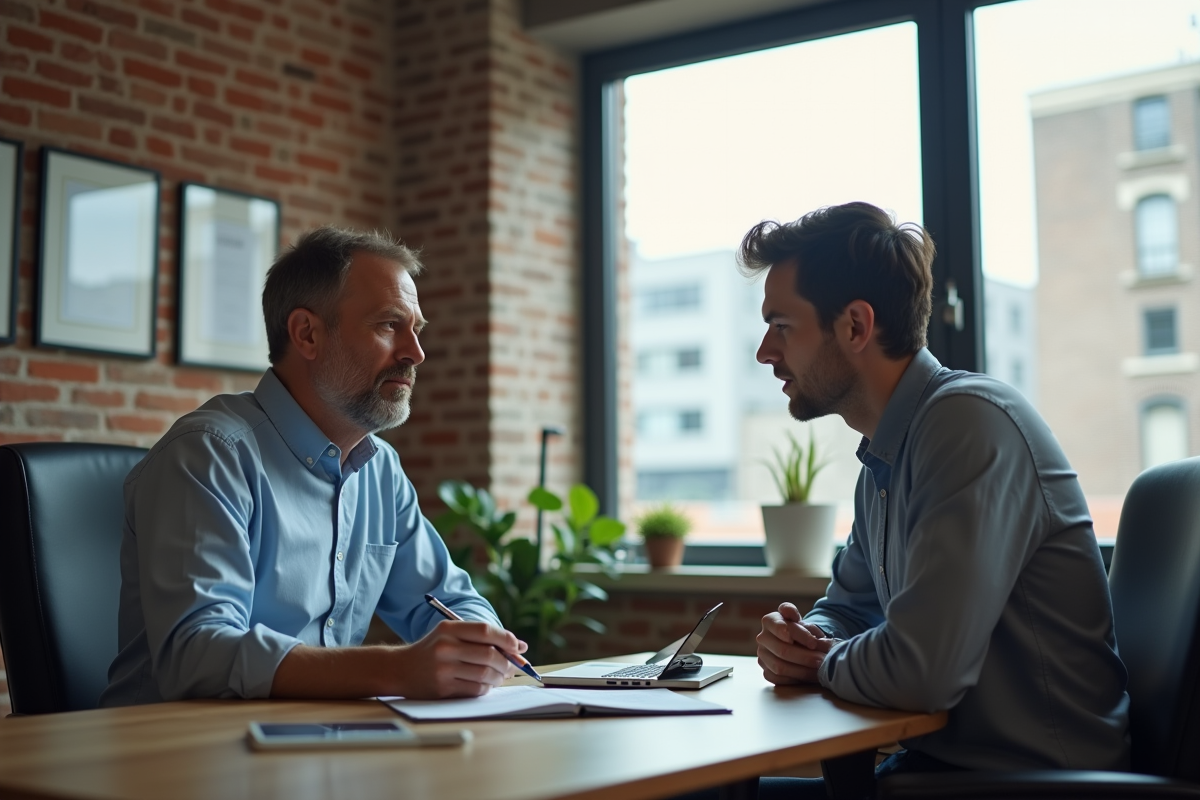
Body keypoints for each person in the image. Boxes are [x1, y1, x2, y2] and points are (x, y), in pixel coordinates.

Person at [744, 203, 1129, 793]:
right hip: (939, 773)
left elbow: (922, 672)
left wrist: (819, 664)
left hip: (1034, 782)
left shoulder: (966, 425)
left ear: (854, 325)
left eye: (782, 326)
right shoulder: (885, 455)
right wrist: (805, 637)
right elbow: (849, 607)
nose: (765, 352)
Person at [101, 227, 524, 707]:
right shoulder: (207, 455)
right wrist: (396, 668)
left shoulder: (380, 469)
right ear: (307, 333)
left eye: (416, 329)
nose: (415, 353)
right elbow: (197, 655)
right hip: (172, 760)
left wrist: (482, 644)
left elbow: (450, 602)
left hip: (319, 748)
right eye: (389, 325)